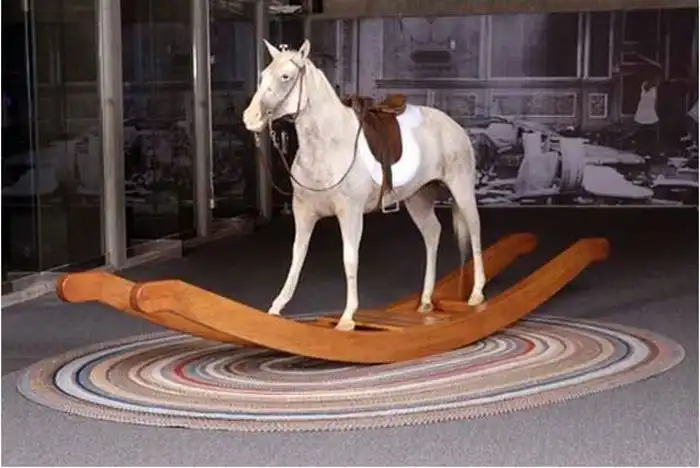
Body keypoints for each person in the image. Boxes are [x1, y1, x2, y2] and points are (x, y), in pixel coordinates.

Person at [633, 73, 660, 159]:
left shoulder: (644, 88)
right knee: (650, 134)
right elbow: (653, 102)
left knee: (643, 135)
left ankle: (643, 151)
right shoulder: (653, 90)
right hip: (649, 115)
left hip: (642, 115)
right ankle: (649, 151)